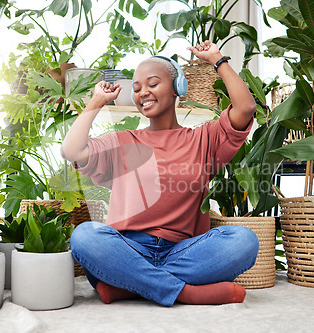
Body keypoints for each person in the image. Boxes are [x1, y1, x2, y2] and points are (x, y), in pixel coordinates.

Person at [61, 40, 258, 307]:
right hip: (126, 250)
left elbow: (245, 108)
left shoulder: (204, 140)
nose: (143, 93)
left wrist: (216, 59)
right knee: (85, 236)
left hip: (183, 251)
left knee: (244, 241)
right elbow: (71, 150)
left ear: (178, 88)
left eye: (153, 84)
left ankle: (131, 287)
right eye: (137, 88)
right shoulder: (122, 141)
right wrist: (97, 101)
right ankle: (185, 293)